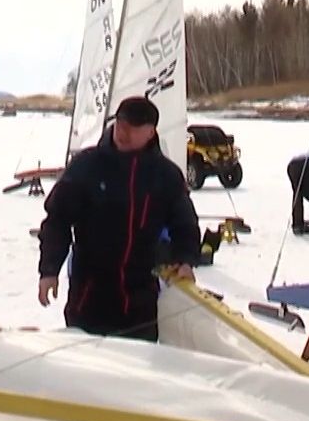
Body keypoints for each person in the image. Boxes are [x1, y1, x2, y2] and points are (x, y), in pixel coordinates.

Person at [37, 96, 200, 340]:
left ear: (150, 132)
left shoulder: (165, 175)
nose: (123, 133)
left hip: (140, 298)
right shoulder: (86, 165)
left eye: (132, 128)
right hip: (89, 295)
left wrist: (186, 259)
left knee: (136, 367)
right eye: (120, 125)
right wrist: (49, 270)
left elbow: (184, 223)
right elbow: (57, 220)